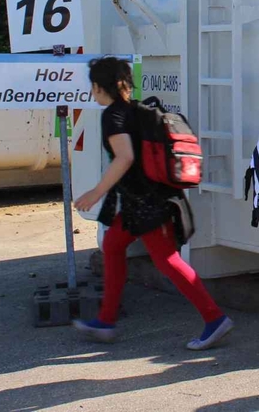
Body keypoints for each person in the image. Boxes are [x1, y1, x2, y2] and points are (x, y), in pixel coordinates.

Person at [73, 57, 233, 350]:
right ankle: (106, 321)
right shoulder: (138, 109)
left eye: (93, 86)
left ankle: (215, 319)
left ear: (98, 86)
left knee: (167, 260)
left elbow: (125, 157)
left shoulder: (113, 116)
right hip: (143, 201)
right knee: (112, 245)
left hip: (149, 203)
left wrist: (96, 192)